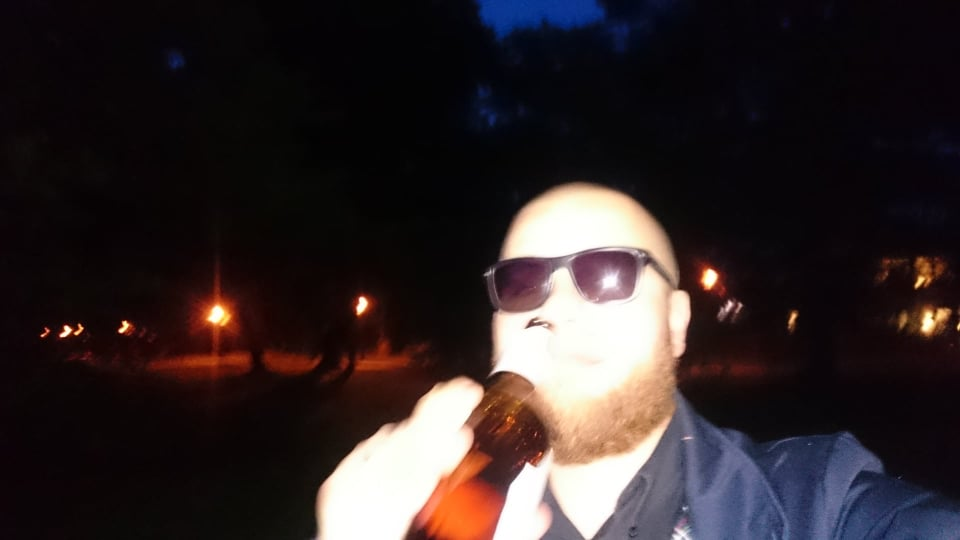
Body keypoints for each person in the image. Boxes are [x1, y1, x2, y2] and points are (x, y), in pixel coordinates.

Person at [315, 182, 960, 539]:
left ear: (677, 324)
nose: (554, 307)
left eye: (606, 272)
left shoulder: (816, 504)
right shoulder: (427, 519)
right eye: (522, 282)